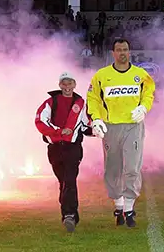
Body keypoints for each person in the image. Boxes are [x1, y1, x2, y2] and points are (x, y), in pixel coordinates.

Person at [86, 38, 156, 228]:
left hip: (133, 126)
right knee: (113, 169)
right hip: (111, 127)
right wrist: (97, 119)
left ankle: (130, 208)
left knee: (132, 167)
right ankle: (118, 204)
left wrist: (143, 107)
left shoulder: (140, 75)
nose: (122, 53)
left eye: (125, 49)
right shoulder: (101, 75)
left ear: (129, 52)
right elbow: (92, 99)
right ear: (113, 53)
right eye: (119, 50)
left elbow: (149, 93)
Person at [34, 72, 101, 233]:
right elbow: (40, 121)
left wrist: (98, 130)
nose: (67, 86)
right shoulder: (51, 102)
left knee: (70, 180)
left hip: (73, 148)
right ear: (60, 85)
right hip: (55, 148)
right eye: (64, 83)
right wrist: (59, 131)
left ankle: (68, 215)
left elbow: (86, 126)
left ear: (75, 85)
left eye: (70, 83)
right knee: (63, 182)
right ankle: (71, 213)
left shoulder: (81, 104)